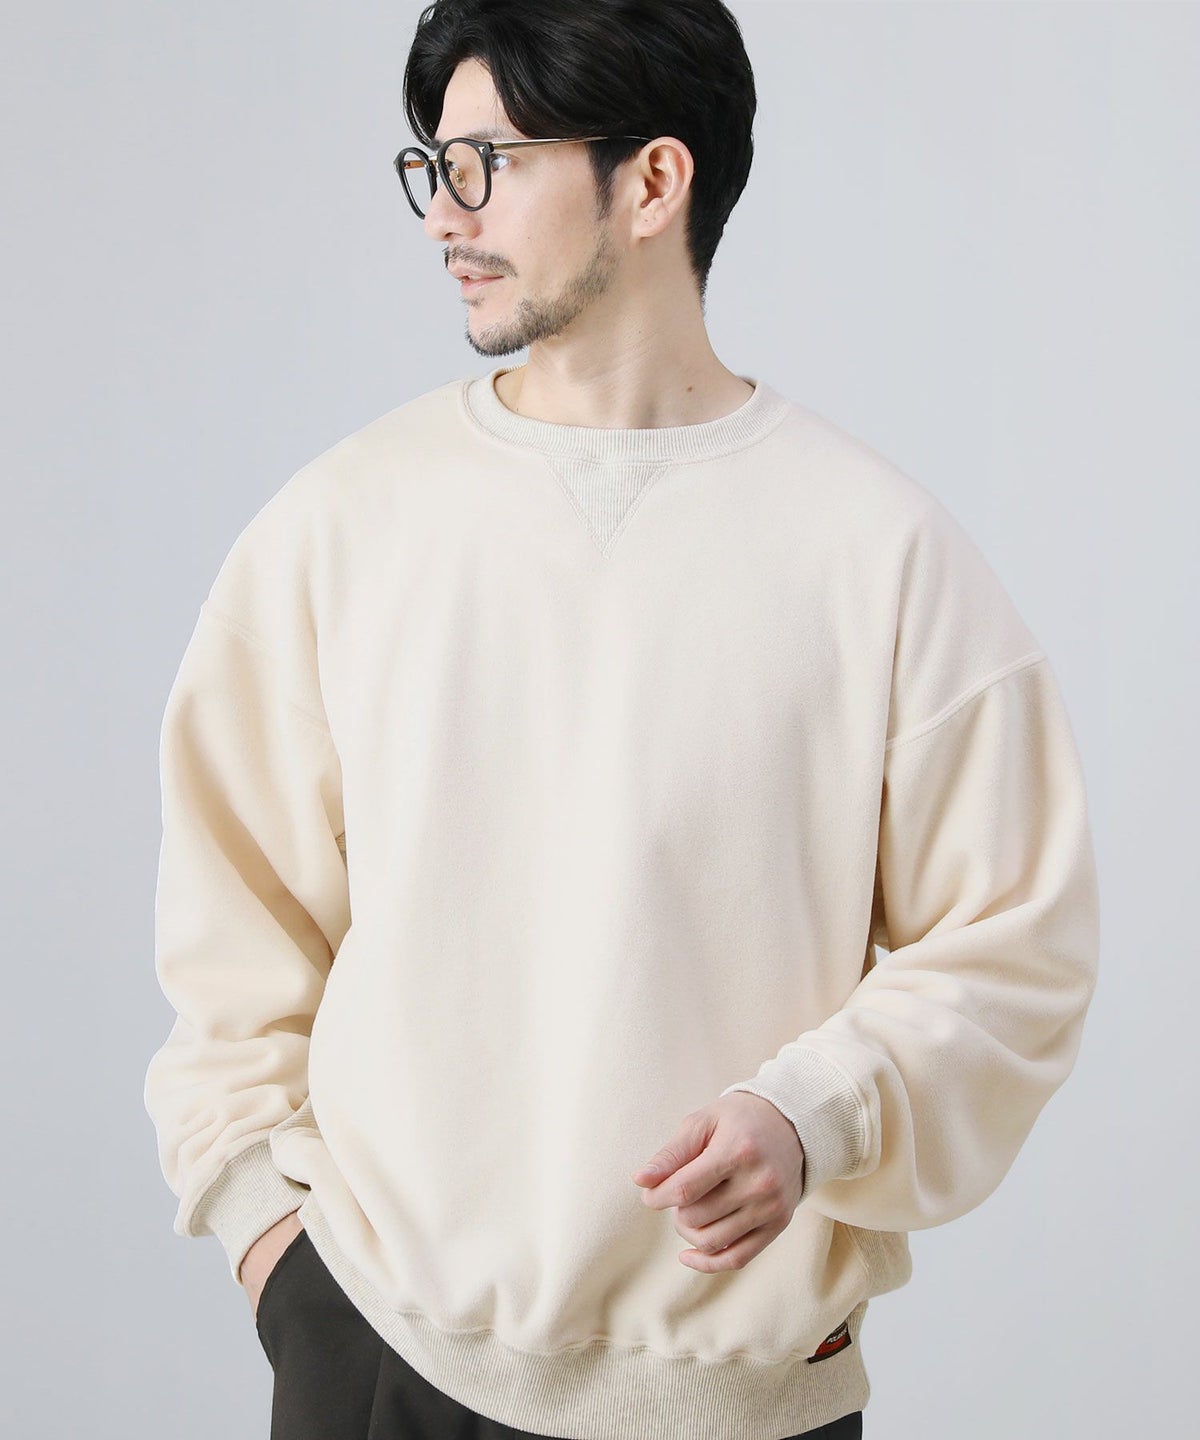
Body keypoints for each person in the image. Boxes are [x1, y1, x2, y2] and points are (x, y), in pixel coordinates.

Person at [143, 2, 1101, 1438]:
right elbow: (234, 943)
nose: (445, 216)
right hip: (382, 1360)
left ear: (653, 182)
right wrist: (280, 1260)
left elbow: (1017, 945)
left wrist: (815, 1113)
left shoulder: (877, 554)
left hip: (737, 1399)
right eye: (433, 168)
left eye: (489, 164)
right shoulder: (341, 528)